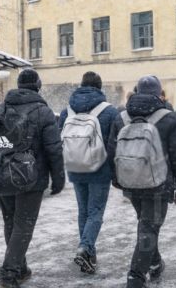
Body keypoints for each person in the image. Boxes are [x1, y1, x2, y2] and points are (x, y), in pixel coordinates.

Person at [108, 75, 176, 288]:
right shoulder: (168, 118)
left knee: (147, 225)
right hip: (159, 184)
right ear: (158, 93)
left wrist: (117, 179)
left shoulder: (121, 118)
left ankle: (154, 264)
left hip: (131, 182)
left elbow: (111, 151)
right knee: (149, 228)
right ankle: (135, 277)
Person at [0, 69, 66, 288]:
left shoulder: (0, 109)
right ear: (38, 86)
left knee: (11, 223)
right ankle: (8, 274)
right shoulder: (43, 112)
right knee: (23, 225)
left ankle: (20, 268)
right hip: (31, 177)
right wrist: (58, 178)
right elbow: (54, 149)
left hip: (4, 174)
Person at [58, 71, 120, 275]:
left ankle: (89, 257)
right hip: (100, 169)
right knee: (95, 212)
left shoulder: (67, 111)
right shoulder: (109, 111)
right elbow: (115, 143)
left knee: (83, 211)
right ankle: (85, 248)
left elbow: (60, 137)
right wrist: (114, 170)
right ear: (100, 87)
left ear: (81, 85)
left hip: (75, 167)